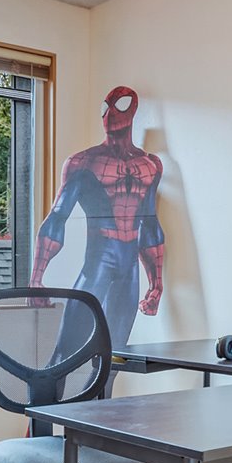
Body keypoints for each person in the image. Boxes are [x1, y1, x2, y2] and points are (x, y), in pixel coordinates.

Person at [31, 85, 164, 350]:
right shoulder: (83, 162)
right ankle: (50, 393)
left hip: (129, 269)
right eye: (106, 107)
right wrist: (36, 278)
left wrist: (156, 283)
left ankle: (106, 394)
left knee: (114, 360)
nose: (111, 113)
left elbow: (149, 223)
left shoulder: (150, 165)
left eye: (121, 104)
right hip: (98, 264)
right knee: (67, 354)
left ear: (134, 109)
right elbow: (57, 217)